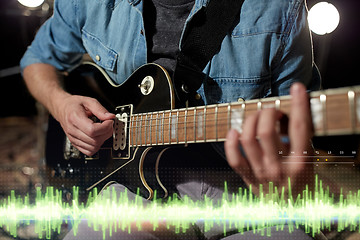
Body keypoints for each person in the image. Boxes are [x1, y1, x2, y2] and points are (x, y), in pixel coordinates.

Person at [20, 0, 321, 239]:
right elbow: (37, 59)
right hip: (131, 191)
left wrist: (291, 183)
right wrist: (62, 105)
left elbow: (300, 152)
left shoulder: (280, 8)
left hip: (243, 197)